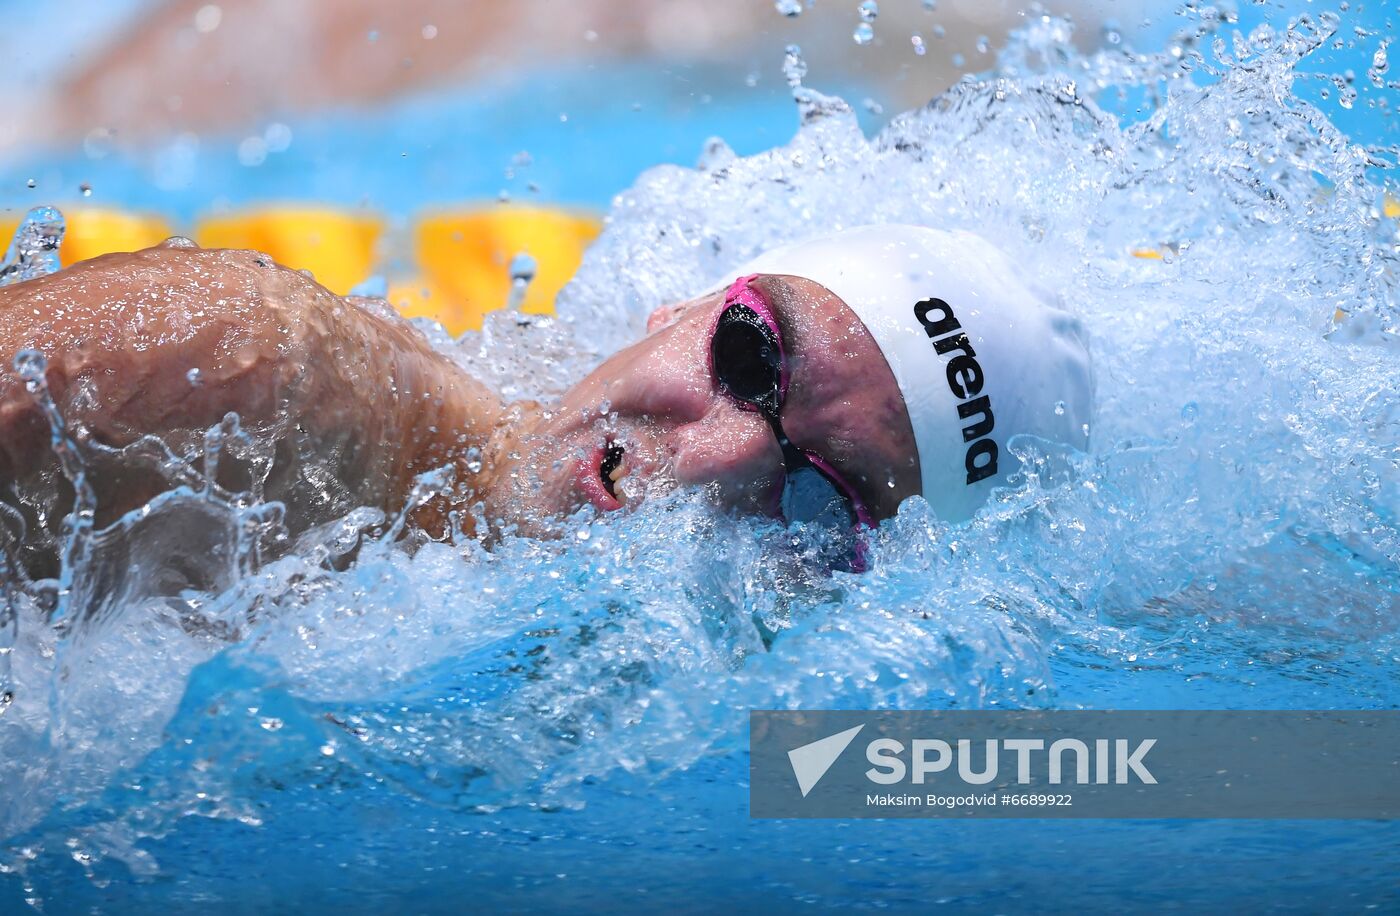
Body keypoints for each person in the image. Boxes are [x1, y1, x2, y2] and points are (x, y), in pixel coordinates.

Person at [0, 225, 1091, 577]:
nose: (710, 460)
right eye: (749, 361)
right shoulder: (243, 370)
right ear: (686, 299)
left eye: (814, 500)